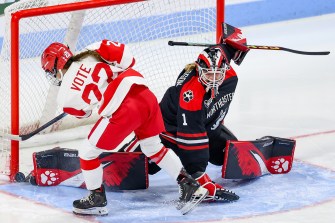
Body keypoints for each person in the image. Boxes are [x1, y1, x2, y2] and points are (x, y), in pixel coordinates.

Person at [40, 39, 208, 216]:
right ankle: (189, 184)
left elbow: (84, 113)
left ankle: (96, 198)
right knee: (153, 147)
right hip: (145, 96)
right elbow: (129, 60)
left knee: (87, 152)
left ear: (56, 67)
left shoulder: (65, 97)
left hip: (125, 109)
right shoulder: (92, 50)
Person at [156, 26, 250, 202]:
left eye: (218, 74)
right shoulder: (190, 95)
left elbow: (222, 54)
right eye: (208, 74)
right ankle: (136, 156)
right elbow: (191, 141)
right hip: (169, 132)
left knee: (228, 154)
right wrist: (200, 180)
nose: (213, 79)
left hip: (202, 126)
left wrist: (230, 46)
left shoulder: (224, 71)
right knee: (151, 164)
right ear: (199, 70)